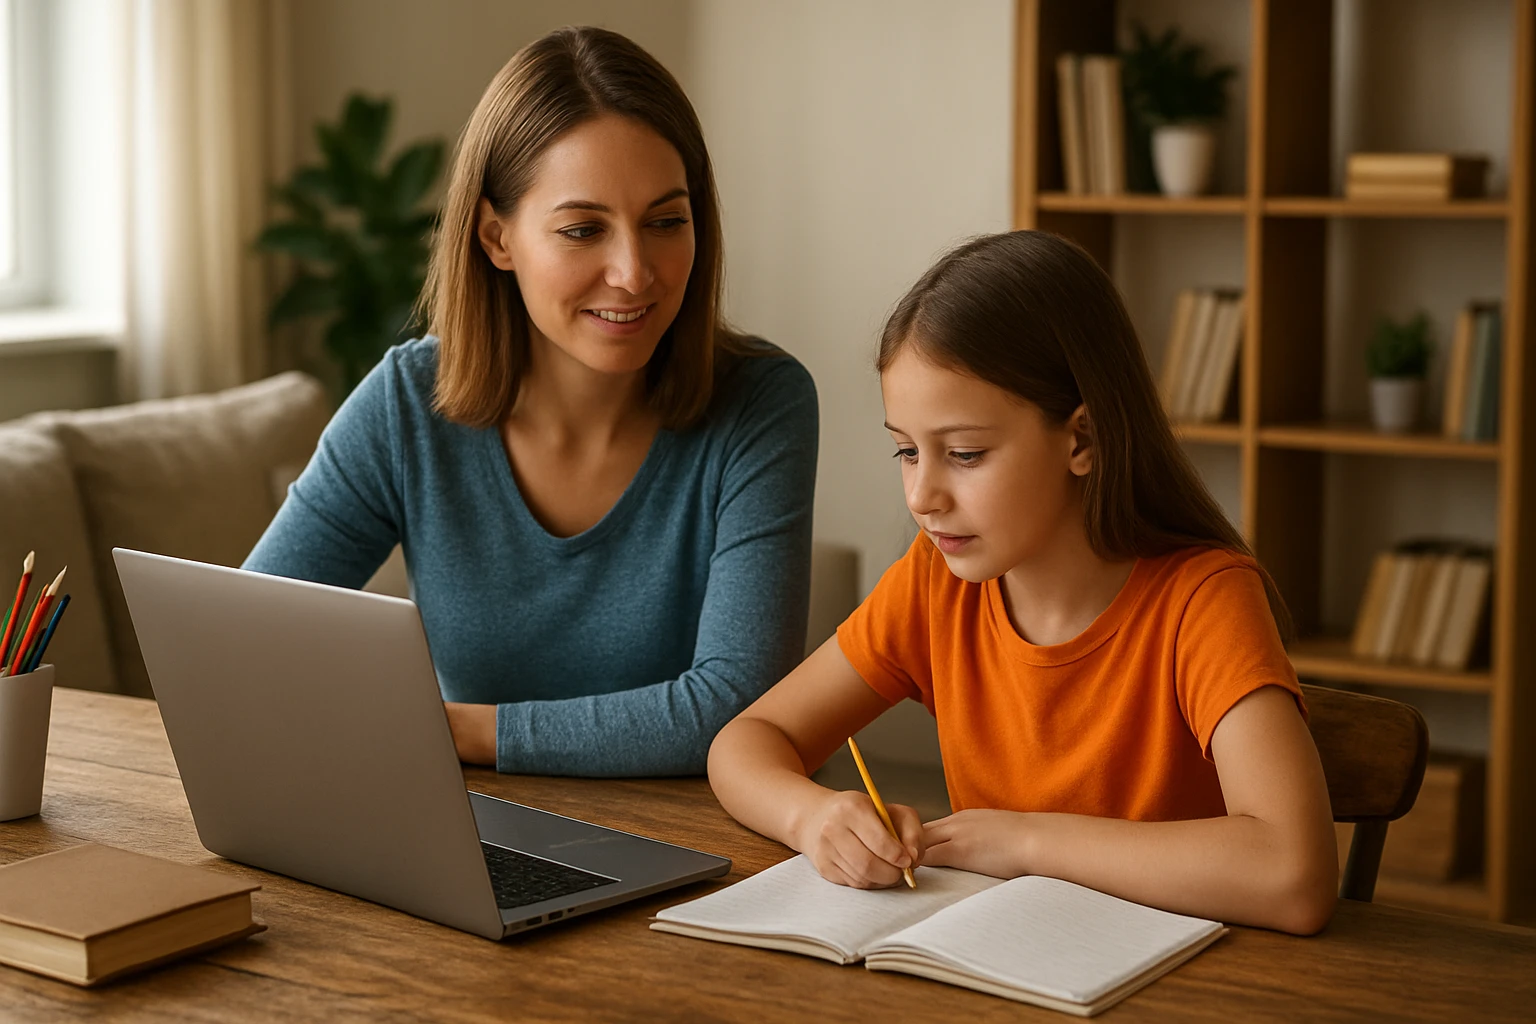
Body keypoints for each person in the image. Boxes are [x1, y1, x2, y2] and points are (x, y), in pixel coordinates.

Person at [707, 230, 1338, 934]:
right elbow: (746, 741)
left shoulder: (1204, 600)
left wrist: (1027, 841)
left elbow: (1295, 874)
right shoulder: (936, 584)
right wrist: (814, 816)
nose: (922, 495)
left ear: (1083, 439)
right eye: (907, 452)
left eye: (966, 454)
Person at [244, 27, 818, 777]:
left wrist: (461, 733)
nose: (634, 272)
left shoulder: (762, 404)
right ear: (495, 236)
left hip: (709, 851)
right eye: (584, 229)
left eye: (666, 221)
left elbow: (737, 706)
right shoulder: (406, 403)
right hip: (480, 832)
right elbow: (246, 642)